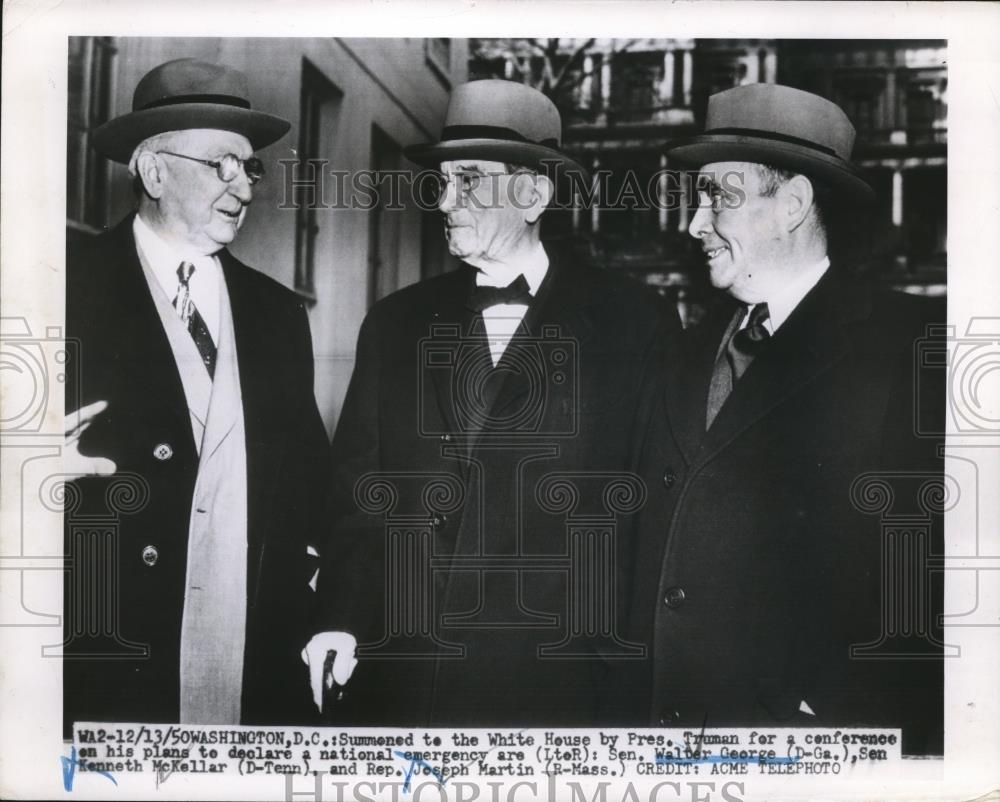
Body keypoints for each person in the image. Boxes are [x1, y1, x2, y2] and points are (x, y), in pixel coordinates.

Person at [306, 79, 680, 726]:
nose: (445, 200)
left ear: (534, 193)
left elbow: (653, 516)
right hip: (404, 679)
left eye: (470, 180)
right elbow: (359, 497)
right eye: (443, 181)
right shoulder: (395, 323)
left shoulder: (635, 323)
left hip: (558, 683)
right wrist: (339, 620)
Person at [617, 83, 945, 754]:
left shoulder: (915, 344)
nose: (693, 224)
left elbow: (934, 573)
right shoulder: (680, 350)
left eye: (718, 196)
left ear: (793, 203)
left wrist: (833, 712)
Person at [62, 58, 328, 733]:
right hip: (109, 663)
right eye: (222, 165)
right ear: (154, 172)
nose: (244, 186)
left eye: (250, 167)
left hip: (249, 665)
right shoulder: (60, 288)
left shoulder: (277, 313)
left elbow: (311, 486)